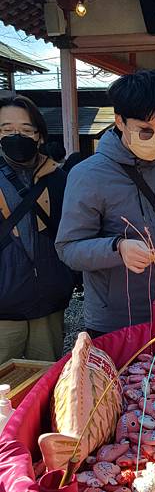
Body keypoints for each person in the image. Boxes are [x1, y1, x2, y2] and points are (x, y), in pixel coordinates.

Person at [55, 69, 155, 336]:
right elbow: (68, 248)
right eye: (145, 131)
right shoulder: (88, 175)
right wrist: (118, 248)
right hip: (115, 319)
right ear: (120, 121)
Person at [0, 95, 74, 364]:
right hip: (3, 307)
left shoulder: (58, 177)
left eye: (26, 130)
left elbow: (72, 232)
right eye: (7, 130)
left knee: (45, 380)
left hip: (48, 302)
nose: (16, 136)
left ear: (40, 136)